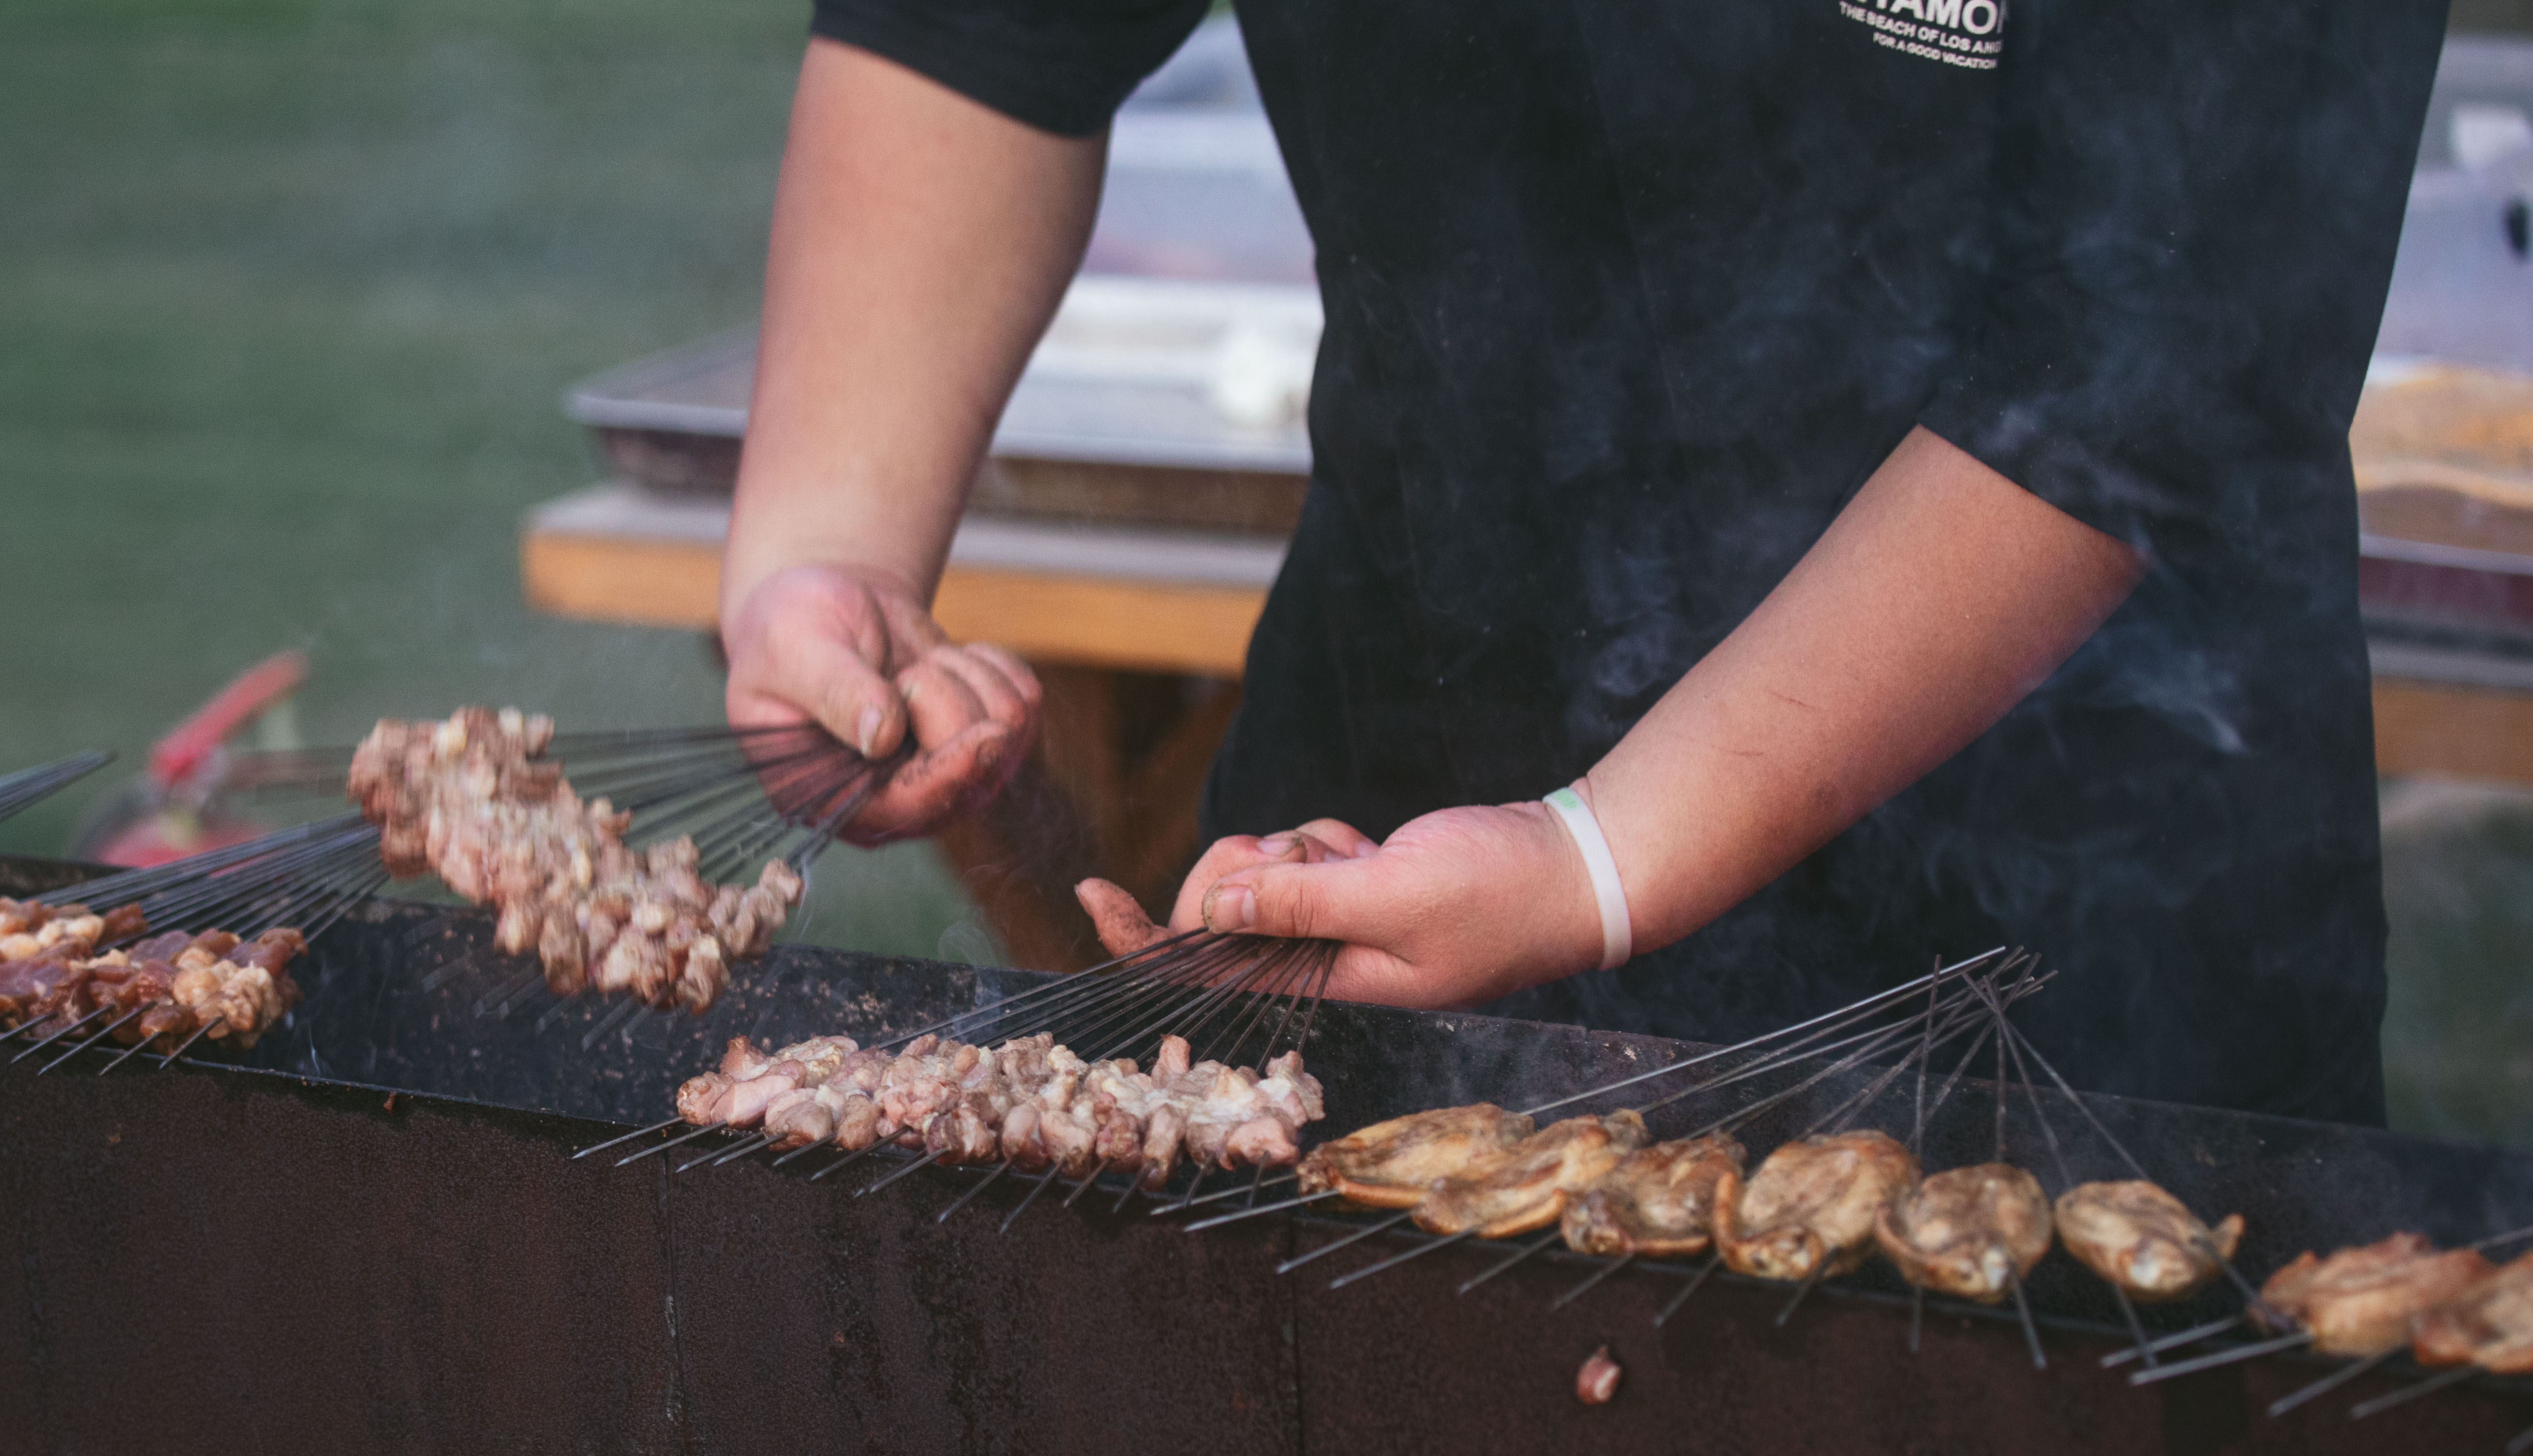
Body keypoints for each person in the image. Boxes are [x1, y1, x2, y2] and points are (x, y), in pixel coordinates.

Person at [717, 0, 2449, 1125]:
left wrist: (1601, 864)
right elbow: (972, 37)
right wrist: (832, 546)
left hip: (2071, 942)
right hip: (1378, 837)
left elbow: (2150, 360)